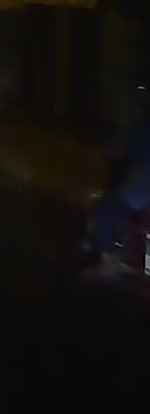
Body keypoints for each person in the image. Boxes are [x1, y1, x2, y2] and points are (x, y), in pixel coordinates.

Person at [83, 82, 150, 280]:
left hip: (141, 191)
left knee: (102, 212)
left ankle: (110, 264)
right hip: (140, 191)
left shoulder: (138, 128)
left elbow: (111, 153)